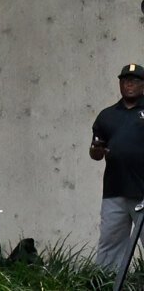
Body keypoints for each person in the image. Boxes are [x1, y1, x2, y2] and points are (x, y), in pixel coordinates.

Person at [90, 64, 144, 274]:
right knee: (110, 245)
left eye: (135, 81)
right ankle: (105, 285)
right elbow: (95, 152)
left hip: (142, 191)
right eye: (125, 81)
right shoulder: (107, 116)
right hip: (115, 191)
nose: (129, 85)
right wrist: (96, 150)